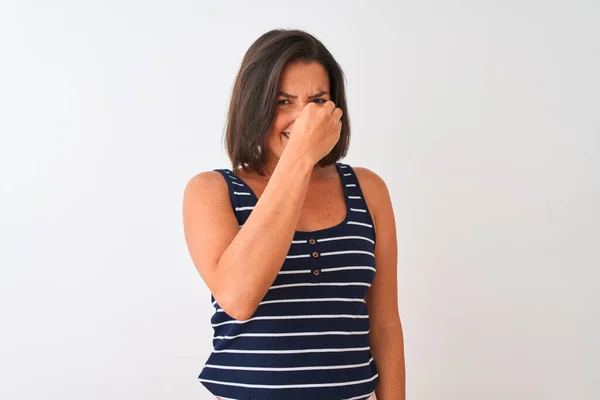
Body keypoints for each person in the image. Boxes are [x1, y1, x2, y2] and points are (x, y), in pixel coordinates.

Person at [183, 29, 405, 400]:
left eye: (317, 101)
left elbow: (384, 325)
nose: (304, 119)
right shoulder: (211, 191)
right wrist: (301, 157)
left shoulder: (368, 190)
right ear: (255, 105)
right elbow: (238, 298)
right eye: (283, 101)